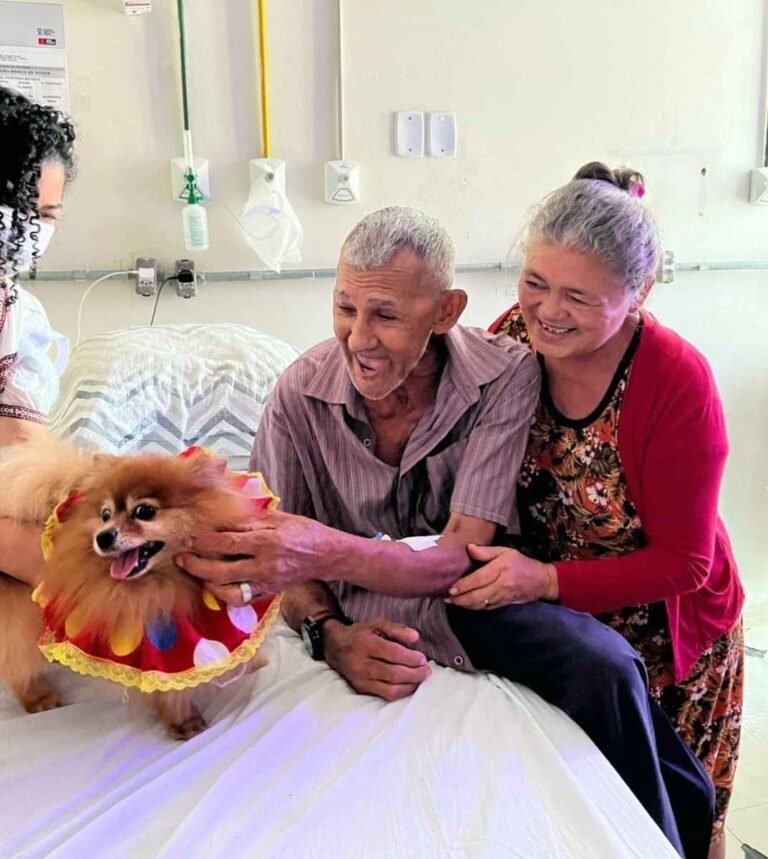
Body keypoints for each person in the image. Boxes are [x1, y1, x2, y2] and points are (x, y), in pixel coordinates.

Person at [177, 206, 714, 858]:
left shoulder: (507, 371)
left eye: (386, 315)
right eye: (345, 307)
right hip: (364, 602)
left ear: (446, 311)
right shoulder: (297, 397)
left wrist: (318, 549)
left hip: (474, 593)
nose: (359, 338)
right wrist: (329, 635)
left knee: (627, 696)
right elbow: (278, 559)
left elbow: (457, 552)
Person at [449, 162, 742, 858]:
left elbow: (686, 563)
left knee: (672, 818)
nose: (547, 311)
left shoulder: (674, 379)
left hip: (665, 638)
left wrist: (544, 580)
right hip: (567, 631)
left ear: (639, 293)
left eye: (577, 296)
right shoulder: (513, 336)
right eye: (535, 282)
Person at [0, 86, 74, 582]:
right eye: (12, 207)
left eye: (45, 217)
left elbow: (21, 447)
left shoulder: (17, 316)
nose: (27, 230)